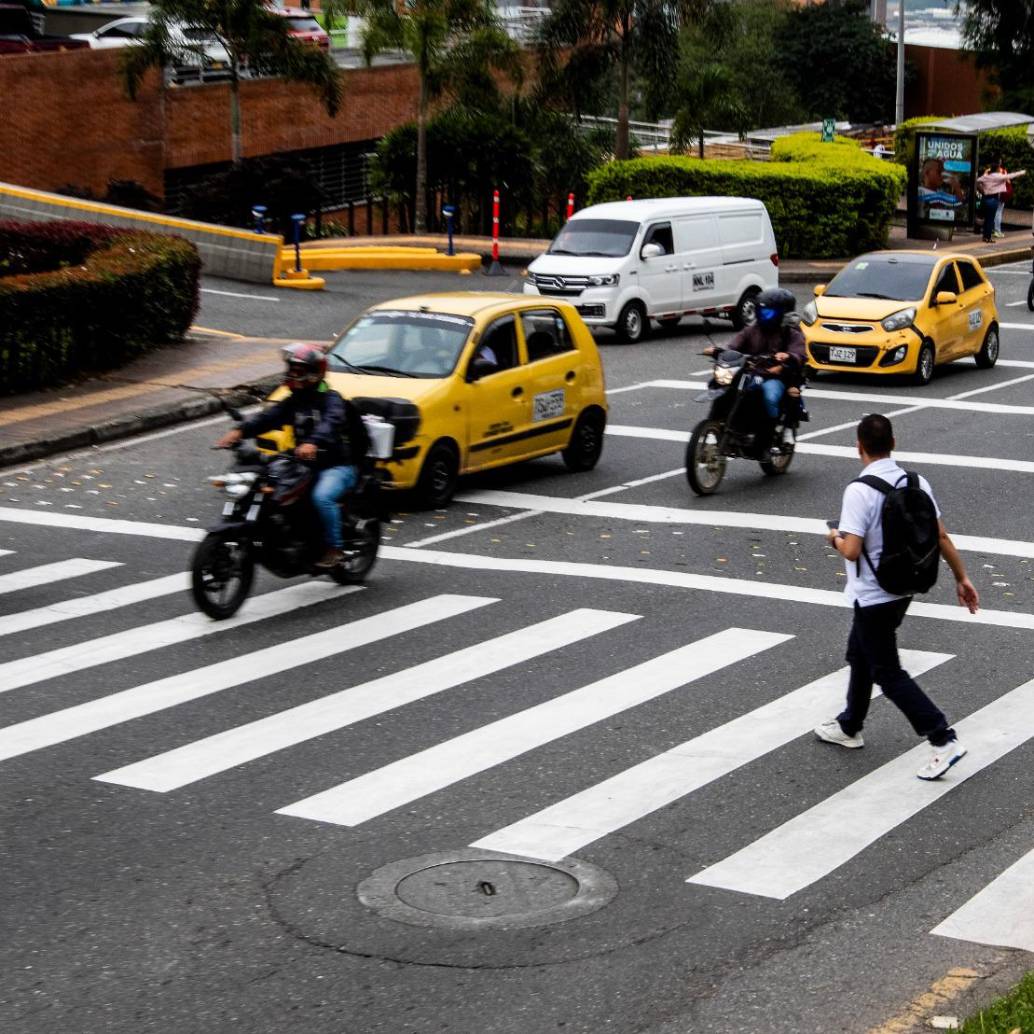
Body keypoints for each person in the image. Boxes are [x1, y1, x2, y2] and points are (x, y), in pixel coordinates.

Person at [817, 414, 979, 780]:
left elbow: (852, 551)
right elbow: (940, 536)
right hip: (904, 586)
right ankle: (849, 726)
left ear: (859, 447)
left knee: (886, 671)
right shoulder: (916, 481)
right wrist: (962, 577)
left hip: (873, 594)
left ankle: (943, 738)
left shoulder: (858, 491)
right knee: (860, 654)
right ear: (892, 443)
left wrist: (833, 537)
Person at [216, 343, 369, 568]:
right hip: (302, 463)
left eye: (299, 371)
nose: (293, 375)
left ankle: (334, 548)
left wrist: (313, 443)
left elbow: (331, 422)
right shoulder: (295, 400)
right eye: (292, 369)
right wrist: (240, 431)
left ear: (315, 373)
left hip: (336, 465)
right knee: (267, 483)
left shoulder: (332, 400)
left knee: (322, 497)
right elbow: (268, 417)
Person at [705, 287, 805, 453]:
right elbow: (734, 345)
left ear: (783, 313)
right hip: (752, 372)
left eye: (769, 312)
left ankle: (769, 436)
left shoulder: (792, 333)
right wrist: (718, 351)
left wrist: (788, 356)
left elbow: (799, 353)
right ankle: (715, 427)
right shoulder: (753, 329)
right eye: (761, 311)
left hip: (777, 376)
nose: (763, 315)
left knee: (769, 396)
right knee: (723, 386)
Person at [976, 165, 1026, 243]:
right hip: (994, 199)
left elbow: (977, 181)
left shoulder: (986, 176)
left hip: (985, 198)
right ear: (997, 169)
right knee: (990, 219)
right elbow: (1011, 175)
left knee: (986, 219)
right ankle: (988, 238)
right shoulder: (998, 176)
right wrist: (1022, 172)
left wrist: (982, 189)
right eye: (999, 168)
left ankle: (984, 236)